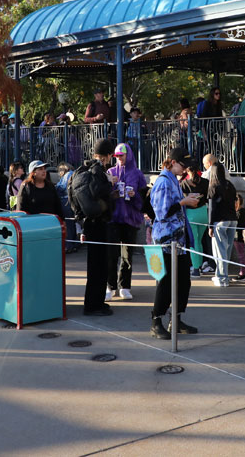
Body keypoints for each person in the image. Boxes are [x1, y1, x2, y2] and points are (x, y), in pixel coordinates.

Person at [149, 147, 200, 339]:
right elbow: (161, 213)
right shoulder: (163, 182)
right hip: (166, 241)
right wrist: (183, 202)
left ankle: (176, 319)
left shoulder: (173, 181)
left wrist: (186, 201)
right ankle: (156, 321)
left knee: (183, 282)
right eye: (182, 164)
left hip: (178, 240)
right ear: (171, 162)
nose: (185, 169)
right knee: (166, 282)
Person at [68, 138, 116, 316]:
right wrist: (110, 184)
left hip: (89, 223)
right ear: (108, 155)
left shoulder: (84, 168)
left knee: (96, 265)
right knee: (99, 265)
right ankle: (92, 305)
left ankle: (95, 302)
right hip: (98, 224)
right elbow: (98, 191)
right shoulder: (98, 170)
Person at [106, 143, 148, 301]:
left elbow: (144, 199)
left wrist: (135, 194)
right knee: (111, 254)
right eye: (117, 156)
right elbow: (103, 196)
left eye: (122, 156)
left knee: (127, 255)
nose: (119, 159)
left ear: (128, 155)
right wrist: (112, 192)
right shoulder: (110, 172)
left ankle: (125, 286)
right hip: (113, 219)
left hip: (131, 219)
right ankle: (110, 286)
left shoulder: (137, 174)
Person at [206, 159, 238, 288]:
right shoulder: (230, 185)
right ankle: (223, 275)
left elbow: (212, 208)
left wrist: (210, 225)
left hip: (219, 222)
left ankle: (221, 277)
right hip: (232, 220)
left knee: (219, 251)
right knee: (227, 250)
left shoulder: (213, 186)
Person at [181, 163, 212, 276]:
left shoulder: (183, 183)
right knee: (199, 241)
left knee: (194, 241)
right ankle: (199, 265)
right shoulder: (205, 182)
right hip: (203, 212)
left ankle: (195, 268)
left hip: (191, 214)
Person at [56, 163, 78, 253]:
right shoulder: (73, 173)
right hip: (70, 200)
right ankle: (73, 243)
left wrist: (55, 187)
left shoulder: (68, 174)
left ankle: (69, 245)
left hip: (66, 201)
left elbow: (63, 187)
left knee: (68, 223)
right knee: (71, 223)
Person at [232, 193, 245, 281]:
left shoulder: (237, 212)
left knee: (241, 254)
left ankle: (243, 273)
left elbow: (236, 222)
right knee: (242, 253)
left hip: (238, 236)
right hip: (241, 234)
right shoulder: (243, 211)